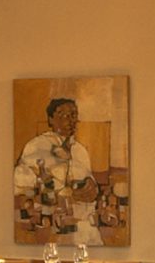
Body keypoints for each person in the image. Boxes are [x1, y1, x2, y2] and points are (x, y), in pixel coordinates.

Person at [13, 97, 102, 245]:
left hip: (81, 227)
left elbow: (91, 187)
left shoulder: (80, 151)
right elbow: (20, 185)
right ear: (51, 119)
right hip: (49, 226)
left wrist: (90, 189)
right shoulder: (37, 146)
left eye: (73, 115)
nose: (70, 120)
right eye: (64, 115)